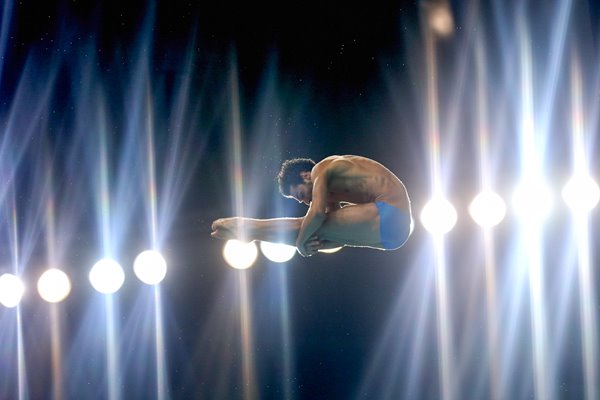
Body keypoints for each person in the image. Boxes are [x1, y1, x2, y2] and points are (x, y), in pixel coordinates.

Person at [211, 155, 413, 257]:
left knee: (308, 224)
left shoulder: (322, 169)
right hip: (394, 236)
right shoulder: (332, 194)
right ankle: (253, 234)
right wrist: (309, 246)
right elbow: (337, 240)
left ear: (306, 176)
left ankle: (246, 227)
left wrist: (300, 244)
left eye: (300, 194)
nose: (304, 201)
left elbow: (315, 214)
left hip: (392, 212)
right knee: (317, 233)